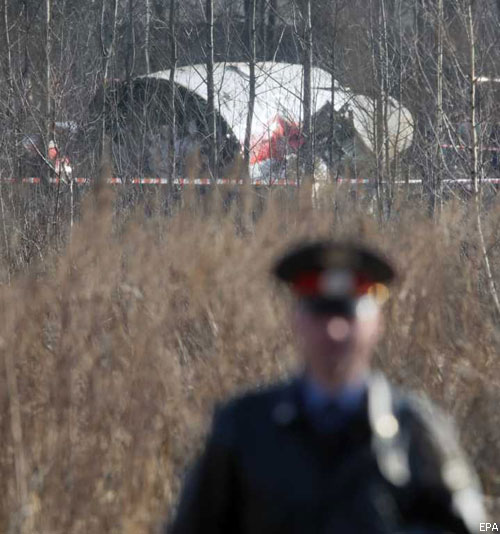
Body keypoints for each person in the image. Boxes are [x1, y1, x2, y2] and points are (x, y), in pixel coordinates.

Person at [169, 240, 487, 533]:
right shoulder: (244, 429)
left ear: (377, 324)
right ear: (296, 321)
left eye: (349, 314)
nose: (334, 330)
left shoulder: (416, 431)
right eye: (320, 313)